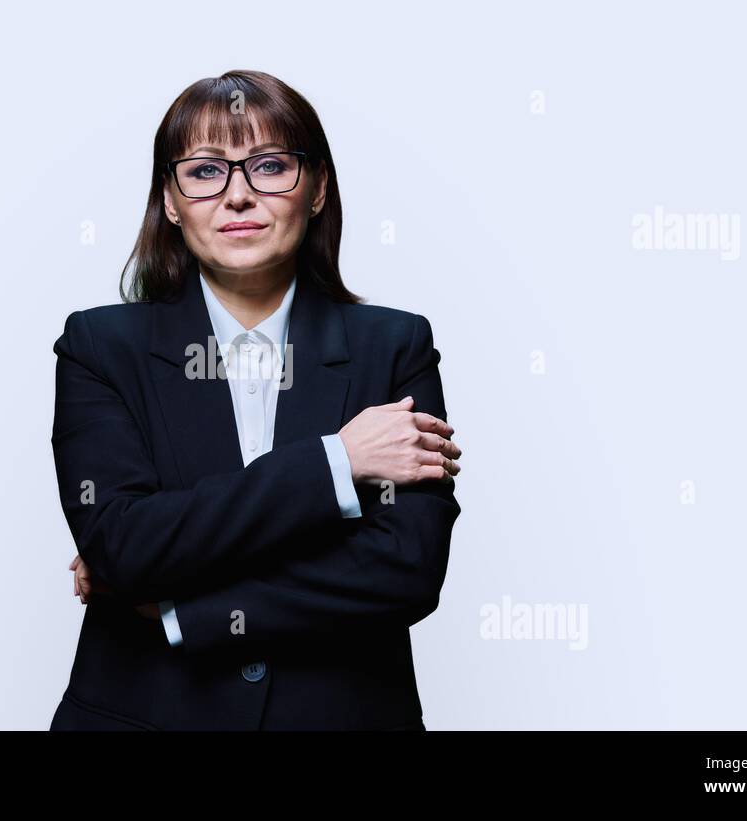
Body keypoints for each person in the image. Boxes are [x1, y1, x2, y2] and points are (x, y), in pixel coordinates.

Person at [49, 69, 462, 730]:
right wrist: (337, 462)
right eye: (206, 171)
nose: (238, 195)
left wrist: (182, 606)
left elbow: (405, 568)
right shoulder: (100, 347)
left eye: (270, 166)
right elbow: (124, 544)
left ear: (318, 187)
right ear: (171, 198)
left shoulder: (394, 345)